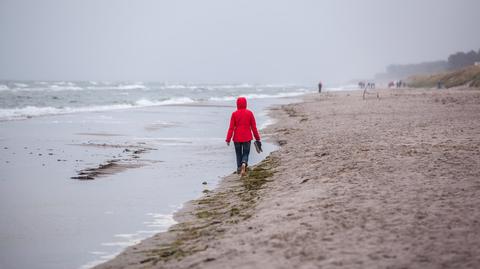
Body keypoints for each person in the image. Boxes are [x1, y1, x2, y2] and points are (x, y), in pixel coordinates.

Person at [226, 97, 261, 176]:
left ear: (237, 104)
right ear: (246, 104)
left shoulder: (234, 114)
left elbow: (231, 128)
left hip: (237, 138)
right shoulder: (249, 113)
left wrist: (228, 139)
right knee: (246, 153)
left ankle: (239, 168)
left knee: (238, 154)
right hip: (247, 137)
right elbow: (253, 127)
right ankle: (244, 164)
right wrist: (257, 138)